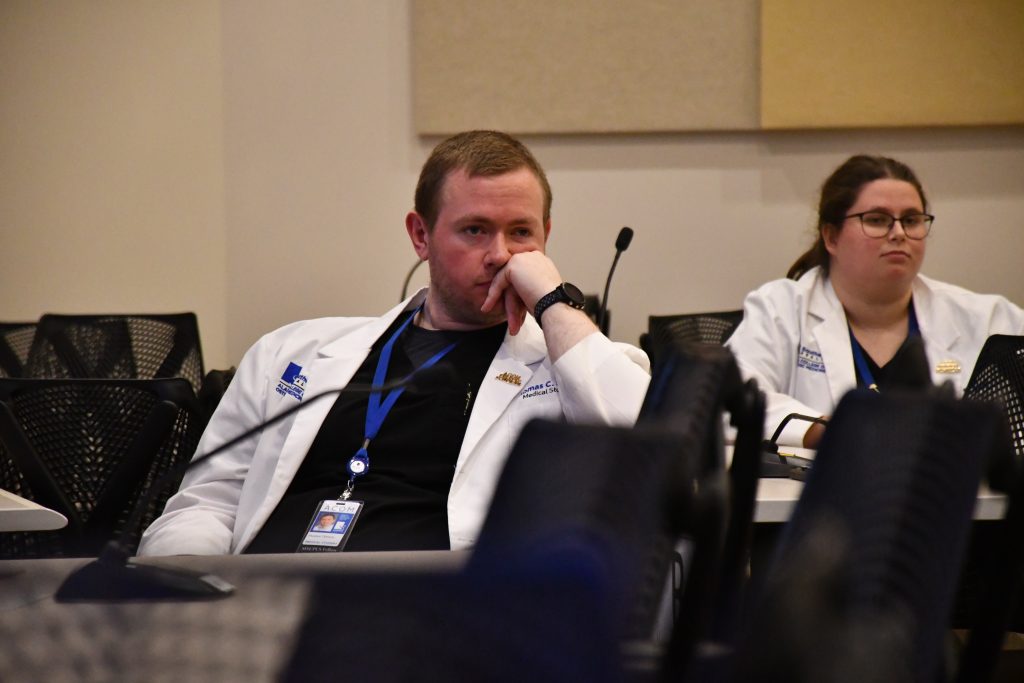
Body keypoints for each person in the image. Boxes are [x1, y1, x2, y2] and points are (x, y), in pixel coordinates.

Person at [138, 130, 651, 556]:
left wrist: (554, 302)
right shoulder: (290, 351)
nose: (500, 254)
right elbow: (206, 503)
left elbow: (645, 457)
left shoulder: (565, 366)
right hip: (259, 610)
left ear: (546, 237)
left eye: (521, 232)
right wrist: (187, 596)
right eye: (475, 230)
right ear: (420, 236)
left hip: (429, 617)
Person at [727, 154, 1024, 448]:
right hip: (819, 479)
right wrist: (826, 431)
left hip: (945, 478)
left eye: (911, 220)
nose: (899, 233)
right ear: (831, 237)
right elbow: (727, 402)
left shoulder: (988, 319)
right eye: (877, 220)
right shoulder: (781, 309)